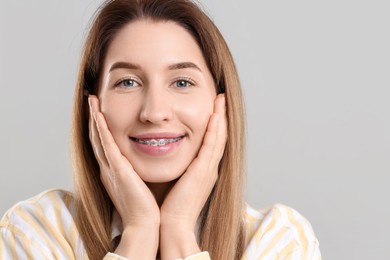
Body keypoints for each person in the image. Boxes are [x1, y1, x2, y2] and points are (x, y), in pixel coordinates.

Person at [0, 0, 321, 259]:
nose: (154, 113)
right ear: (93, 105)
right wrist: (139, 233)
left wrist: (178, 230)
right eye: (128, 82)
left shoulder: (277, 240)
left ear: (219, 101)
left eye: (182, 82)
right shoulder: (36, 230)